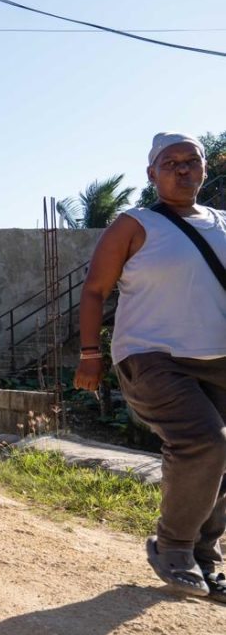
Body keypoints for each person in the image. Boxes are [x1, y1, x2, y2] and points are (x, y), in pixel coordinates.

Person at [75, 132, 226, 602]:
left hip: (219, 358)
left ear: (203, 169)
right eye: (170, 163)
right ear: (152, 174)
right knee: (203, 440)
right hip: (151, 355)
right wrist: (89, 355)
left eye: (191, 161)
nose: (182, 169)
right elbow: (95, 290)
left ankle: (206, 553)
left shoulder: (223, 223)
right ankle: (173, 544)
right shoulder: (134, 224)